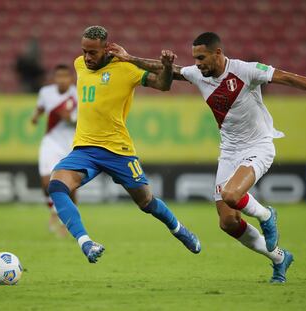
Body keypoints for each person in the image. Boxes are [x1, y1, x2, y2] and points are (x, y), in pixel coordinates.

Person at [108, 32, 306, 283]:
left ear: (218, 53)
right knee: (227, 222)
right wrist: (129, 58)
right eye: (195, 58)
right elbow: (169, 70)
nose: (198, 63)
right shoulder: (197, 74)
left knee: (230, 194)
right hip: (229, 152)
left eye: (202, 57)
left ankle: (266, 215)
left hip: (258, 146)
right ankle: (280, 258)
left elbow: (287, 78)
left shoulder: (245, 71)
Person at [48, 26, 201, 264]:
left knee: (147, 203)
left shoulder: (126, 69)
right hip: (85, 148)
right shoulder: (79, 64)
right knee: (56, 186)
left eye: (93, 53)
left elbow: (163, 84)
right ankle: (86, 242)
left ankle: (179, 229)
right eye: (84, 51)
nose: (87, 57)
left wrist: (168, 66)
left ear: (107, 49)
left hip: (118, 151)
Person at [31, 64, 77, 236]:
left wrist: (70, 120)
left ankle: (71, 222)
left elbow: (84, 122)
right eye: (58, 76)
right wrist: (35, 116)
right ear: (54, 78)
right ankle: (54, 210)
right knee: (45, 183)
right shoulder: (46, 92)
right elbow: (42, 107)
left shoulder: (78, 94)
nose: (61, 80)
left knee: (71, 187)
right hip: (51, 141)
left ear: (71, 78)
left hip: (71, 143)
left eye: (65, 76)